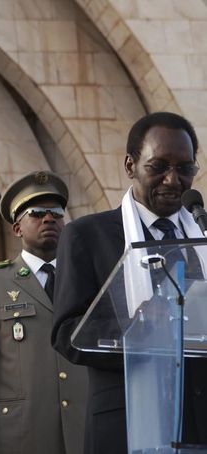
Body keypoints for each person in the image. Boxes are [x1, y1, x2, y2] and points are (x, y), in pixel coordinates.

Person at [52, 112, 207, 454]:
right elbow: (66, 334)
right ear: (130, 165)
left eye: (185, 168)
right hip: (127, 423)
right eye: (158, 166)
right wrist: (136, 329)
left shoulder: (202, 238)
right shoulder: (88, 236)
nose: (172, 180)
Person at [0, 171, 87, 454]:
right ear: (17, 228)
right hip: (22, 437)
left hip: (83, 432)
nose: (48, 219)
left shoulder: (85, 279)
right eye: (37, 212)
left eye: (56, 212)